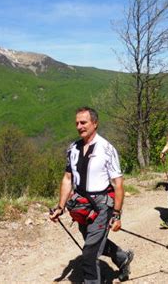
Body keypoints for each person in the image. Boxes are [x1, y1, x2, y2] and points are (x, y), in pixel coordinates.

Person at [49, 107, 133, 283]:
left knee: (89, 254)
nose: (79, 126)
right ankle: (122, 258)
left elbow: (118, 184)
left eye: (84, 122)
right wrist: (60, 206)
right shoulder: (73, 148)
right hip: (80, 205)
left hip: (102, 206)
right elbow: (67, 178)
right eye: (77, 123)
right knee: (93, 243)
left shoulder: (107, 149)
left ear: (95, 123)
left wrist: (117, 215)